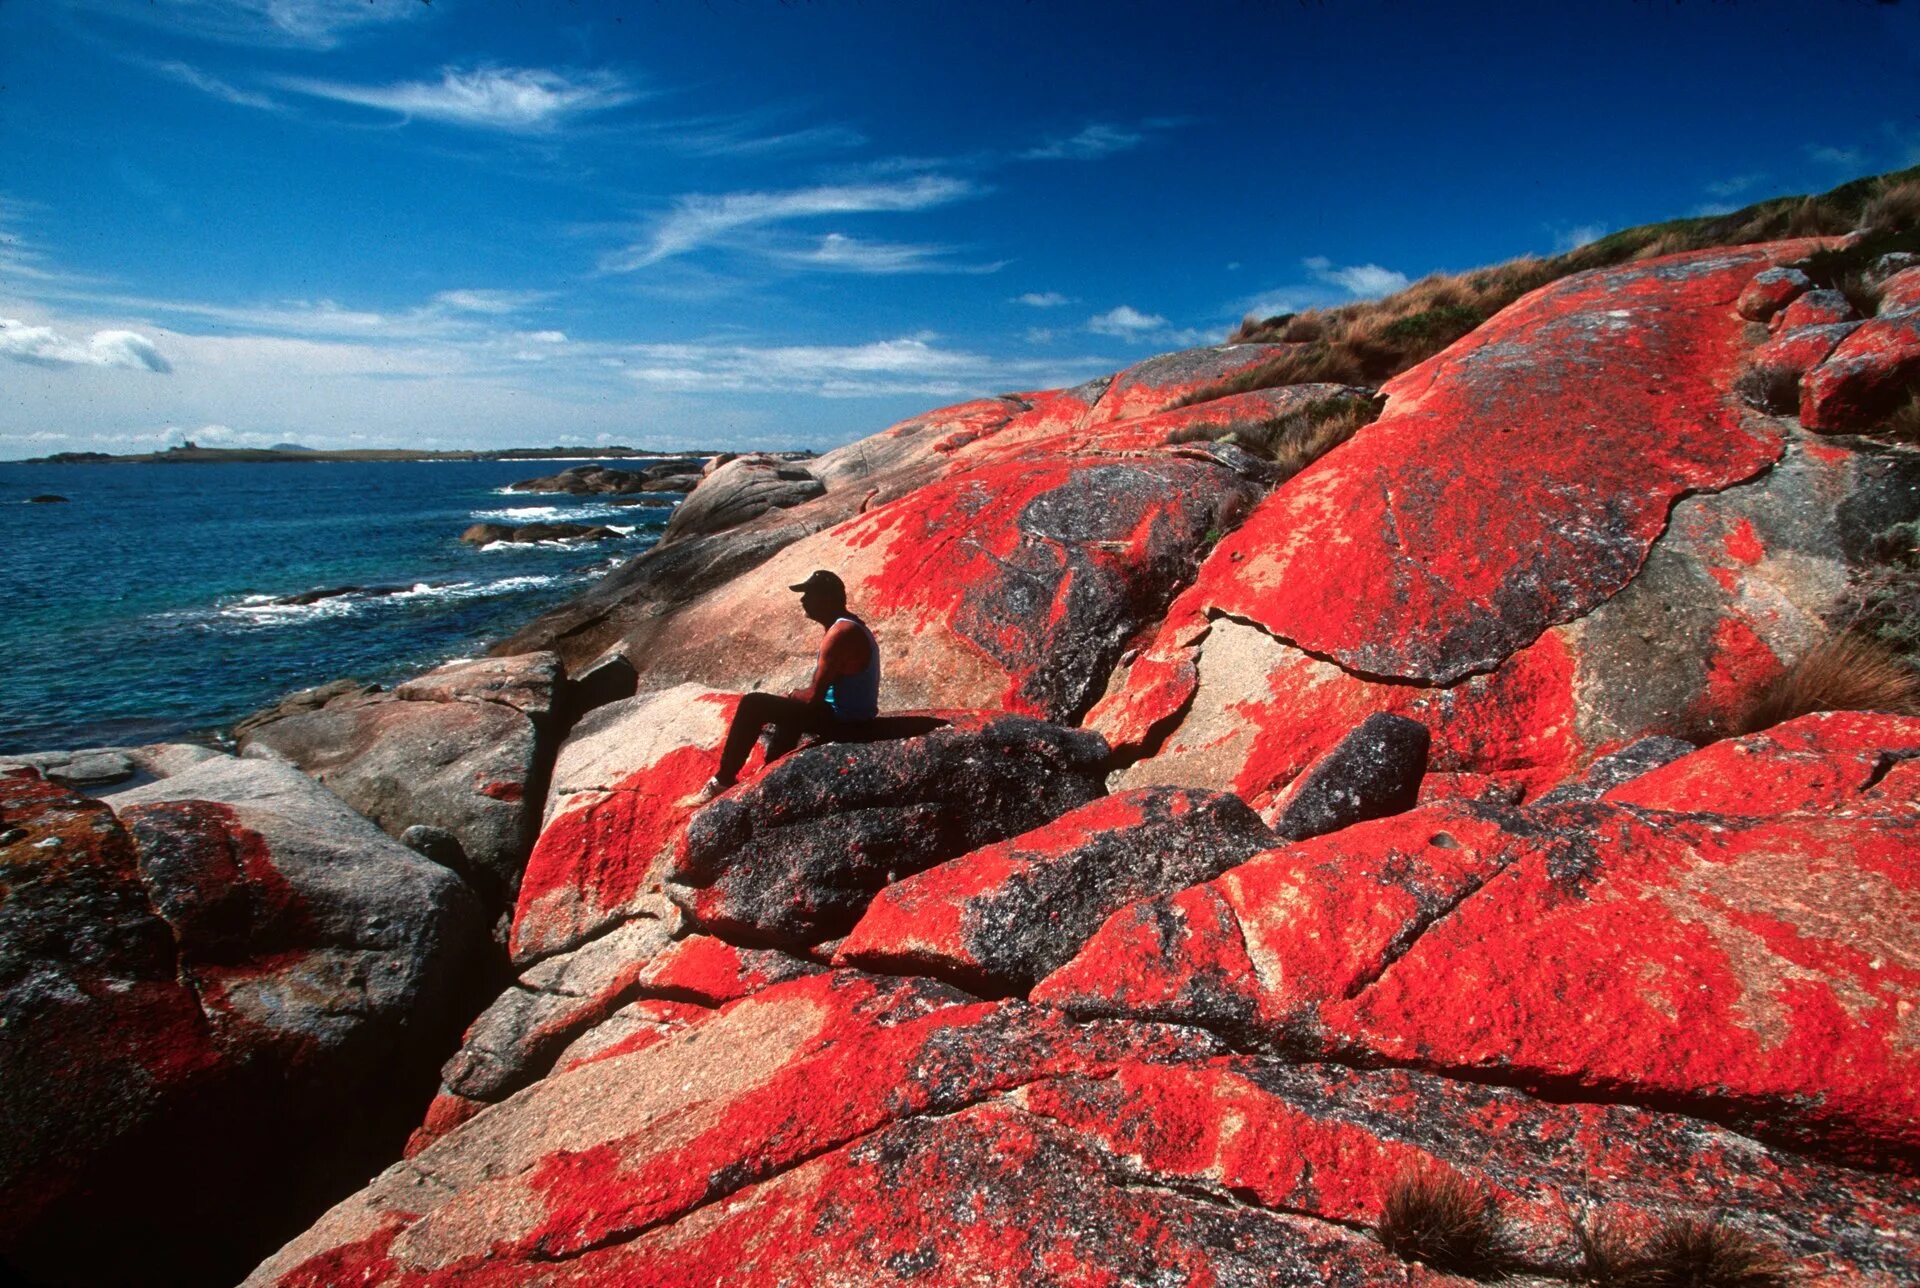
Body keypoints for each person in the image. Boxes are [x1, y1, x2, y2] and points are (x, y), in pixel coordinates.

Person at [688, 569, 880, 803]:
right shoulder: (849, 625)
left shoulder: (841, 633)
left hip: (847, 722)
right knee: (790, 711)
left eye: (809, 594)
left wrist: (791, 695)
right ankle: (771, 771)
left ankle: (724, 779)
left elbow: (812, 699)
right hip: (853, 716)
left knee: (754, 703)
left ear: (827, 598)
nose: (803, 600)